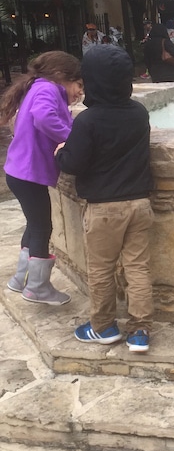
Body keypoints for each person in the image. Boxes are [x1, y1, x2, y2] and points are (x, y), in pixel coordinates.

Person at [55, 44, 154, 351]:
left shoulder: (88, 121)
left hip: (104, 210)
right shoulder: (139, 113)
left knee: (101, 270)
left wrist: (61, 153)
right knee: (138, 268)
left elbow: (74, 163)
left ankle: (103, 326)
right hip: (140, 205)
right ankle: (140, 331)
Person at [2, 51, 82, 304]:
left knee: (33, 223)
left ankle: (20, 278)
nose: (80, 93)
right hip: (29, 174)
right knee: (41, 226)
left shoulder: (39, 87)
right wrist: (72, 138)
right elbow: (45, 117)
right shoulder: (48, 89)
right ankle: (37, 287)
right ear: (62, 77)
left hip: (19, 172)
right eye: (78, 85)